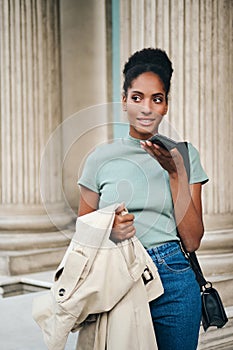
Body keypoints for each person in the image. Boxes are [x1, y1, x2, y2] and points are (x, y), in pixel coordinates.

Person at [77, 48, 208, 350]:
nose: (146, 108)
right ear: (124, 101)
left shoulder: (186, 155)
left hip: (174, 278)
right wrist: (109, 230)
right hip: (117, 276)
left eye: (156, 98)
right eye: (137, 97)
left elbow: (192, 240)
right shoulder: (99, 158)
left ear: (165, 106)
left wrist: (176, 174)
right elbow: (82, 234)